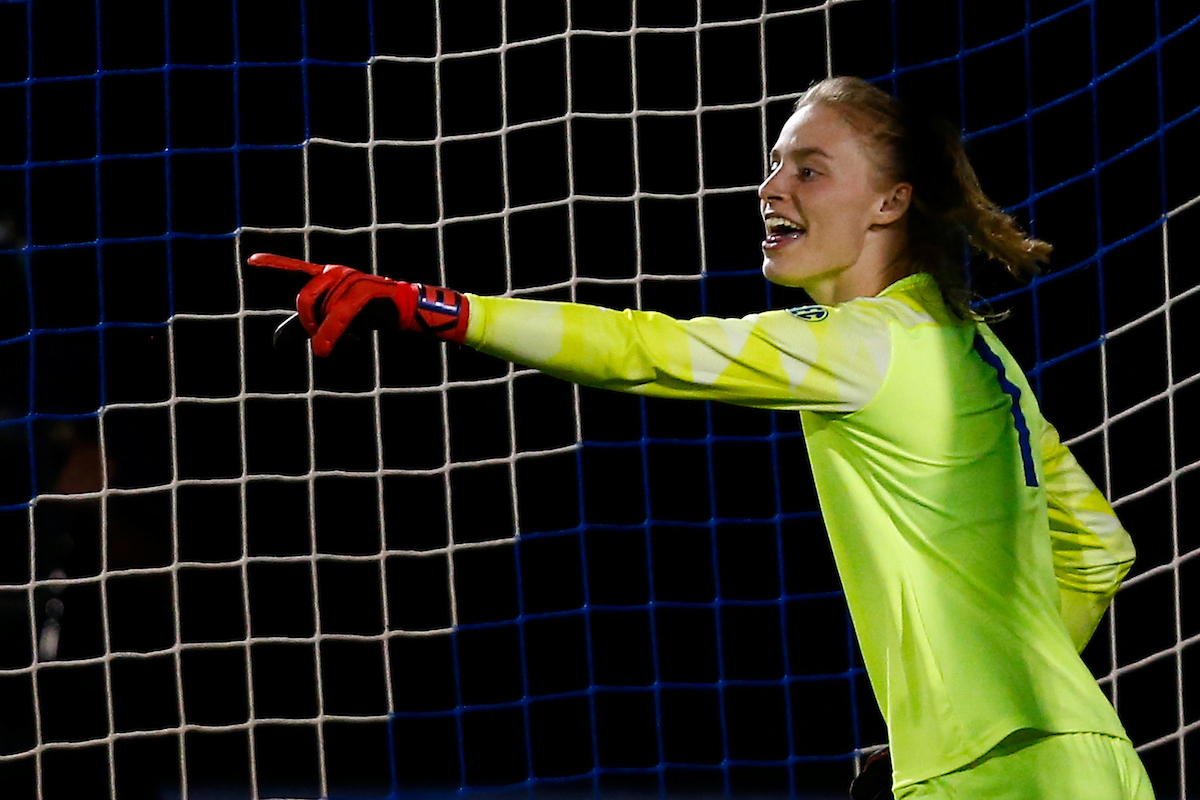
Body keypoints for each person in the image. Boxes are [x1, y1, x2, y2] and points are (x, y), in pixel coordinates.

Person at [250, 76, 1153, 799]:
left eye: (809, 169)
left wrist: (432, 309)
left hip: (994, 776)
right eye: (773, 166)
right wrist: (963, 709)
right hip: (1091, 760)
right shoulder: (974, 349)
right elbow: (1100, 550)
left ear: (890, 203)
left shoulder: (867, 347)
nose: (770, 189)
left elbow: (649, 350)